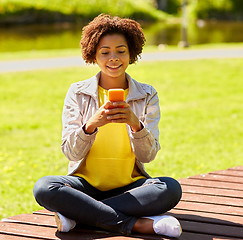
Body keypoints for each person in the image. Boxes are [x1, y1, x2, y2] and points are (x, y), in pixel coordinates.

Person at [33, 13, 182, 238]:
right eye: (105, 52)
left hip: (130, 186)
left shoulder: (147, 94)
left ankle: (81, 214)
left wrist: (135, 124)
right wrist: (91, 124)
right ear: (94, 55)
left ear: (131, 53)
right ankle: (136, 224)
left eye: (121, 51)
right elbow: (70, 151)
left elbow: (149, 155)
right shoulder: (78, 92)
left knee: (170, 189)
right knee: (45, 187)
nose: (113, 58)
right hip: (84, 185)